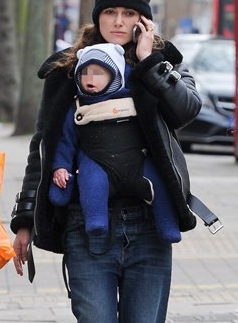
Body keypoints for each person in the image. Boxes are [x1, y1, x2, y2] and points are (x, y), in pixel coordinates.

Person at [10, 0, 204, 323]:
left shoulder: (164, 64)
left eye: (128, 14)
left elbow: (187, 112)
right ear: (95, 18)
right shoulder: (69, 73)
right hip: (87, 228)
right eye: (109, 13)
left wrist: (146, 64)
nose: (118, 22)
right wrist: (25, 219)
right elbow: (44, 148)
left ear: (143, 18)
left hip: (149, 228)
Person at [49, 42, 160, 237]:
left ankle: (168, 223)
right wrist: (60, 167)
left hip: (136, 160)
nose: (89, 79)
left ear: (114, 75)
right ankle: (96, 221)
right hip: (95, 159)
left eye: (98, 73)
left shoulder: (134, 96)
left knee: (158, 180)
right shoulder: (76, 106)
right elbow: (65, 141)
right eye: (85, 73)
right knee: (91, 180)